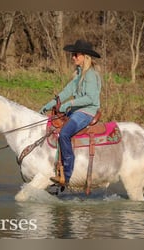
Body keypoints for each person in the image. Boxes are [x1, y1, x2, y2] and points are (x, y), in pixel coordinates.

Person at [40, 39, 102, 186]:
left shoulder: (91, 75)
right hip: (76, 111)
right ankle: (54, 168)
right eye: (73, 54)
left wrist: (69, 104)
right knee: (52, 127)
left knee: (65, 134)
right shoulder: (78, 75)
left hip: (87, 112)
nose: (73, 57)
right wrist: (46, 106)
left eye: (76, 54)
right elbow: (64, 93)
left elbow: (91, 98)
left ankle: (66, 175)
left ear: (85, 56)